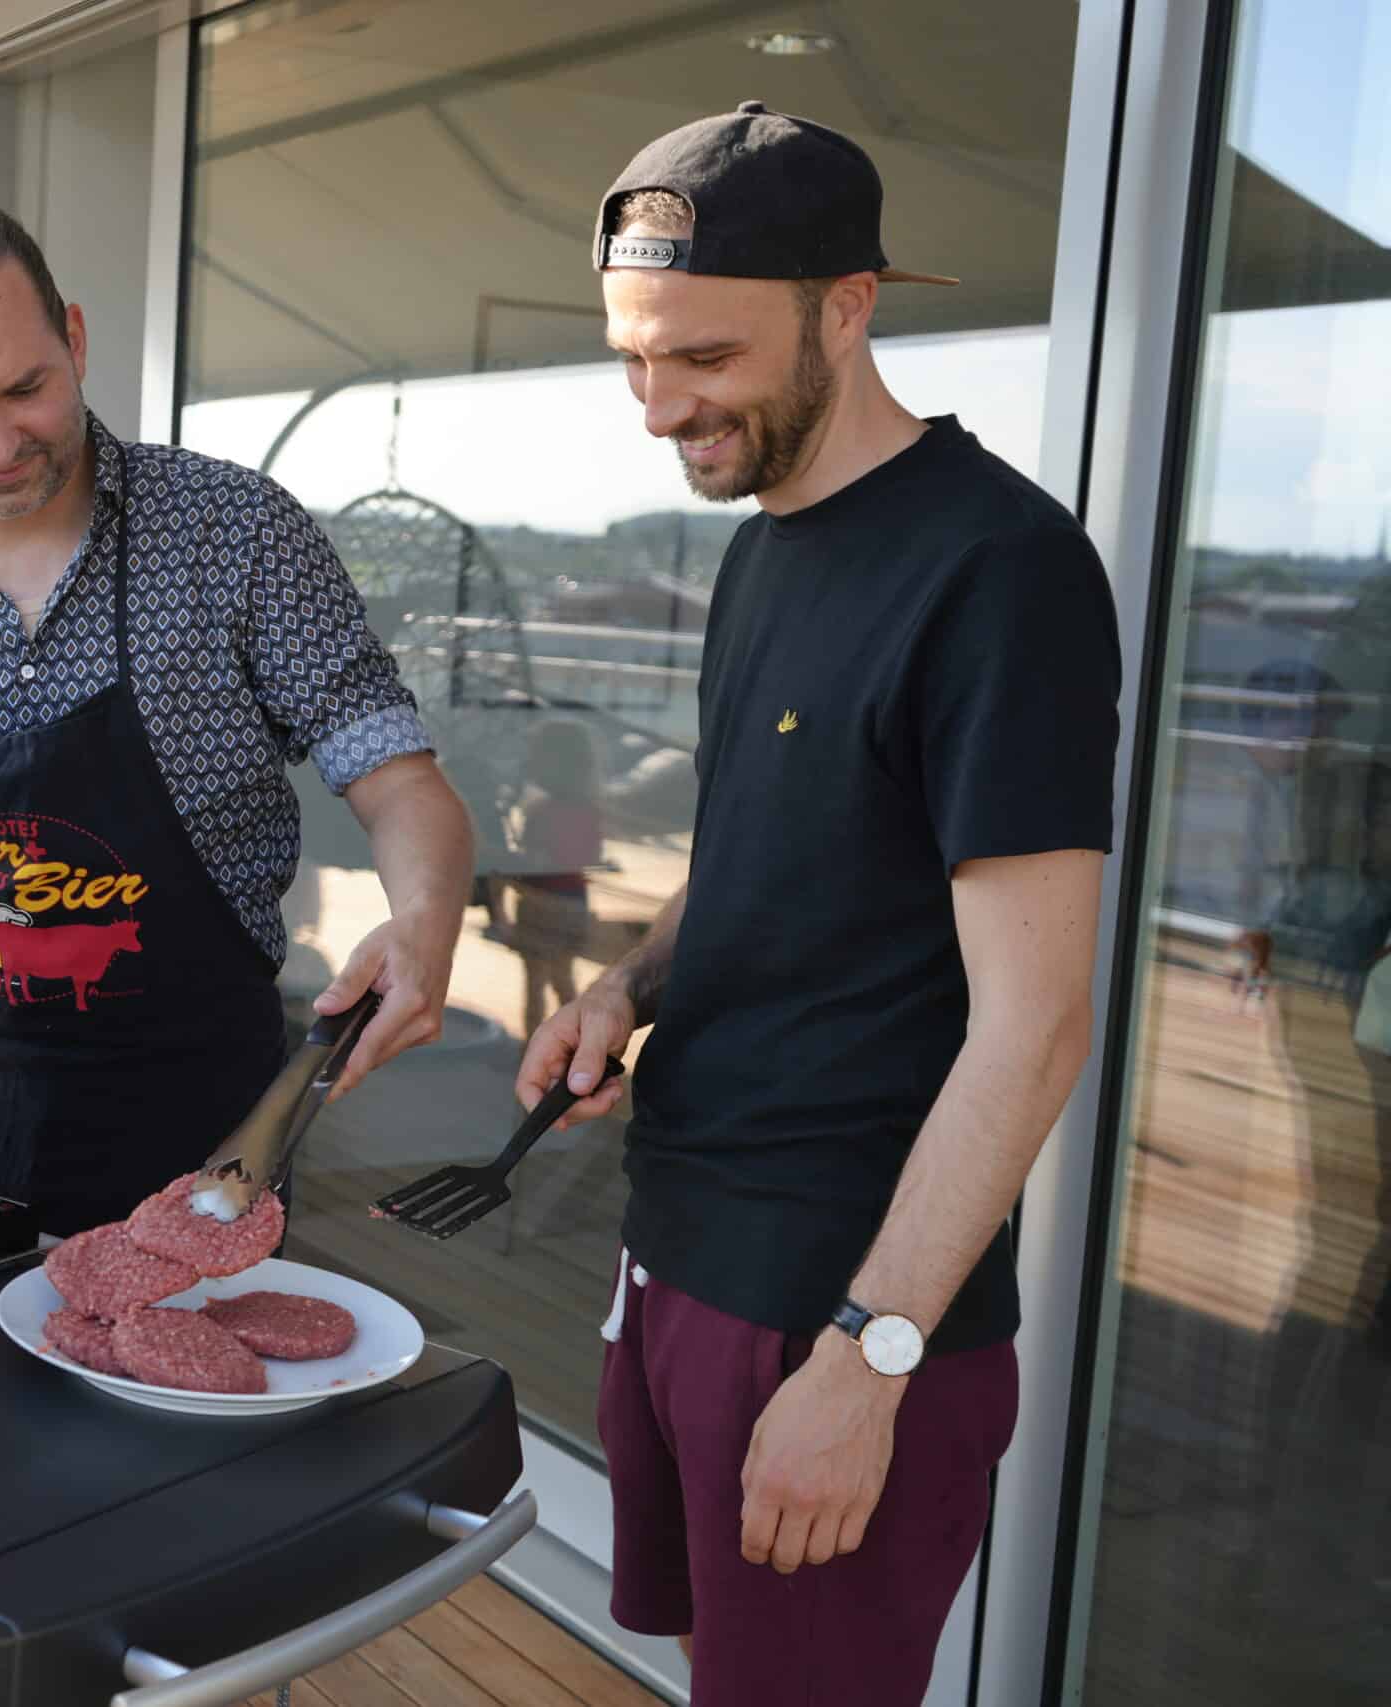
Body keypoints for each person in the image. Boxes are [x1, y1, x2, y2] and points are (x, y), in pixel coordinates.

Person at [517, 104, 1120, 1704]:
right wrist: (627, 992)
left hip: (841, 1312)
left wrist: (873, 1357)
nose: (659, 407)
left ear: (848, 306)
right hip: (682, 1250)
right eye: (634, 356)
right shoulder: (765, 546)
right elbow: (758, 856)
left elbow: (1037, 1022)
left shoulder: (1001, 571)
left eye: (703, 357)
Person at [0, 198, 472, 1235]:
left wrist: (423, 929)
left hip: (192, 1148)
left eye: (26, 389)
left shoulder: (236, 535)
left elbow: (400, 781)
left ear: (75, 341)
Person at [487, 715, 605, 1038]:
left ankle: (533, 1051)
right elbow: (589, 856)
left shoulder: (541, 813)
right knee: (565, 981)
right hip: (575, 904)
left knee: (535, 984)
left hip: (540, 906)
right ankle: (577, 1046)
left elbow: (535, 863)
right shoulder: (590, 810)